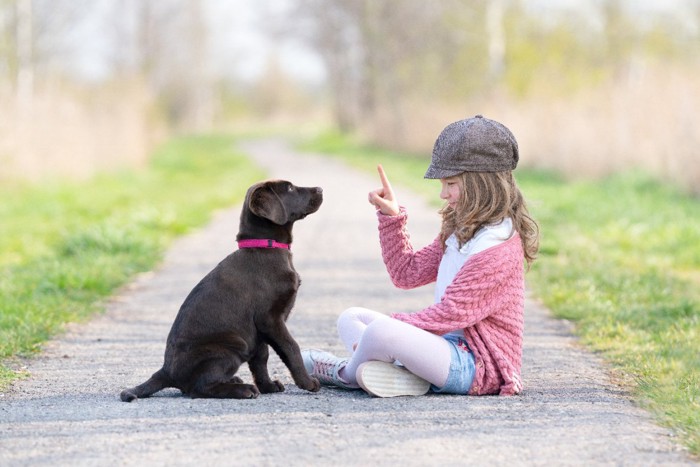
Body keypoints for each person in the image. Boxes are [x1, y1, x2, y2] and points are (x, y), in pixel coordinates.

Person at [302, 115, 539, 397]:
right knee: (350, 318)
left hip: (476, 365)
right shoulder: (463, 231)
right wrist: (391, 217)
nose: (443, 194)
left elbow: (451, 313)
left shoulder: (498, 246)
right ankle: (401, 372)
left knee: (380, 332)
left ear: (481, 184)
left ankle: (346, 373)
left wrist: (387, 333)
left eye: (450, 184)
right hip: (444, 349)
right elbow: (407, 273)